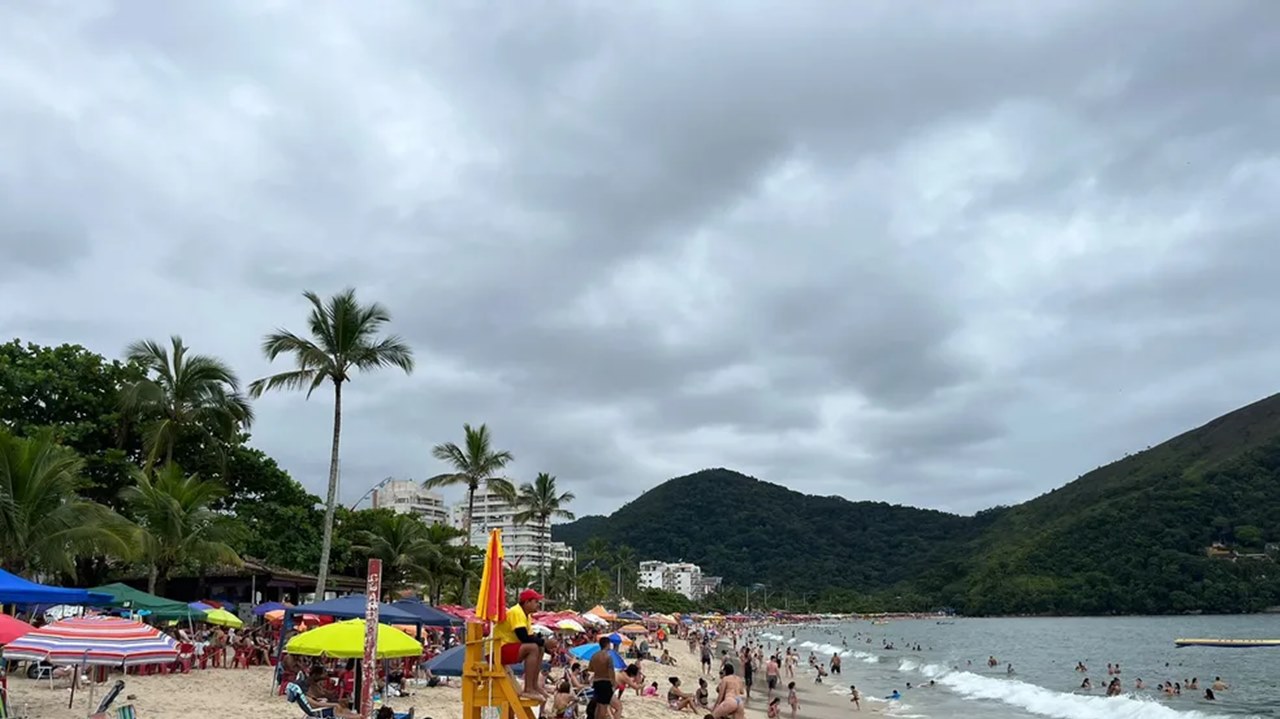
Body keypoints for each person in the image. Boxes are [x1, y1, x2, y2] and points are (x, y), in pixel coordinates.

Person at [493, 589, 558, 701]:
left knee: (539, 647)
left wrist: (546, 646)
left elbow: (532, 637)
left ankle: (534, 685)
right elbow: (524, 638)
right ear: (527, 602)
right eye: (536, 601)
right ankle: (528, 689)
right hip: (497, 651)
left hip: (506, 648)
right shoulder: (516, 612)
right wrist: (545, 642)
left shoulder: (526, 615)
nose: (538, 604)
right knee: (533, 647)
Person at [586, 637, 616, 719]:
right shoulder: (608, 657)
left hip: (596, 682)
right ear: (607, 644)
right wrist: (614, 684)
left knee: (598, 706)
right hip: (605, 682)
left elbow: (590, 668)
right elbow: (611, 672)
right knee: (604, 707)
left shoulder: (594, 656)